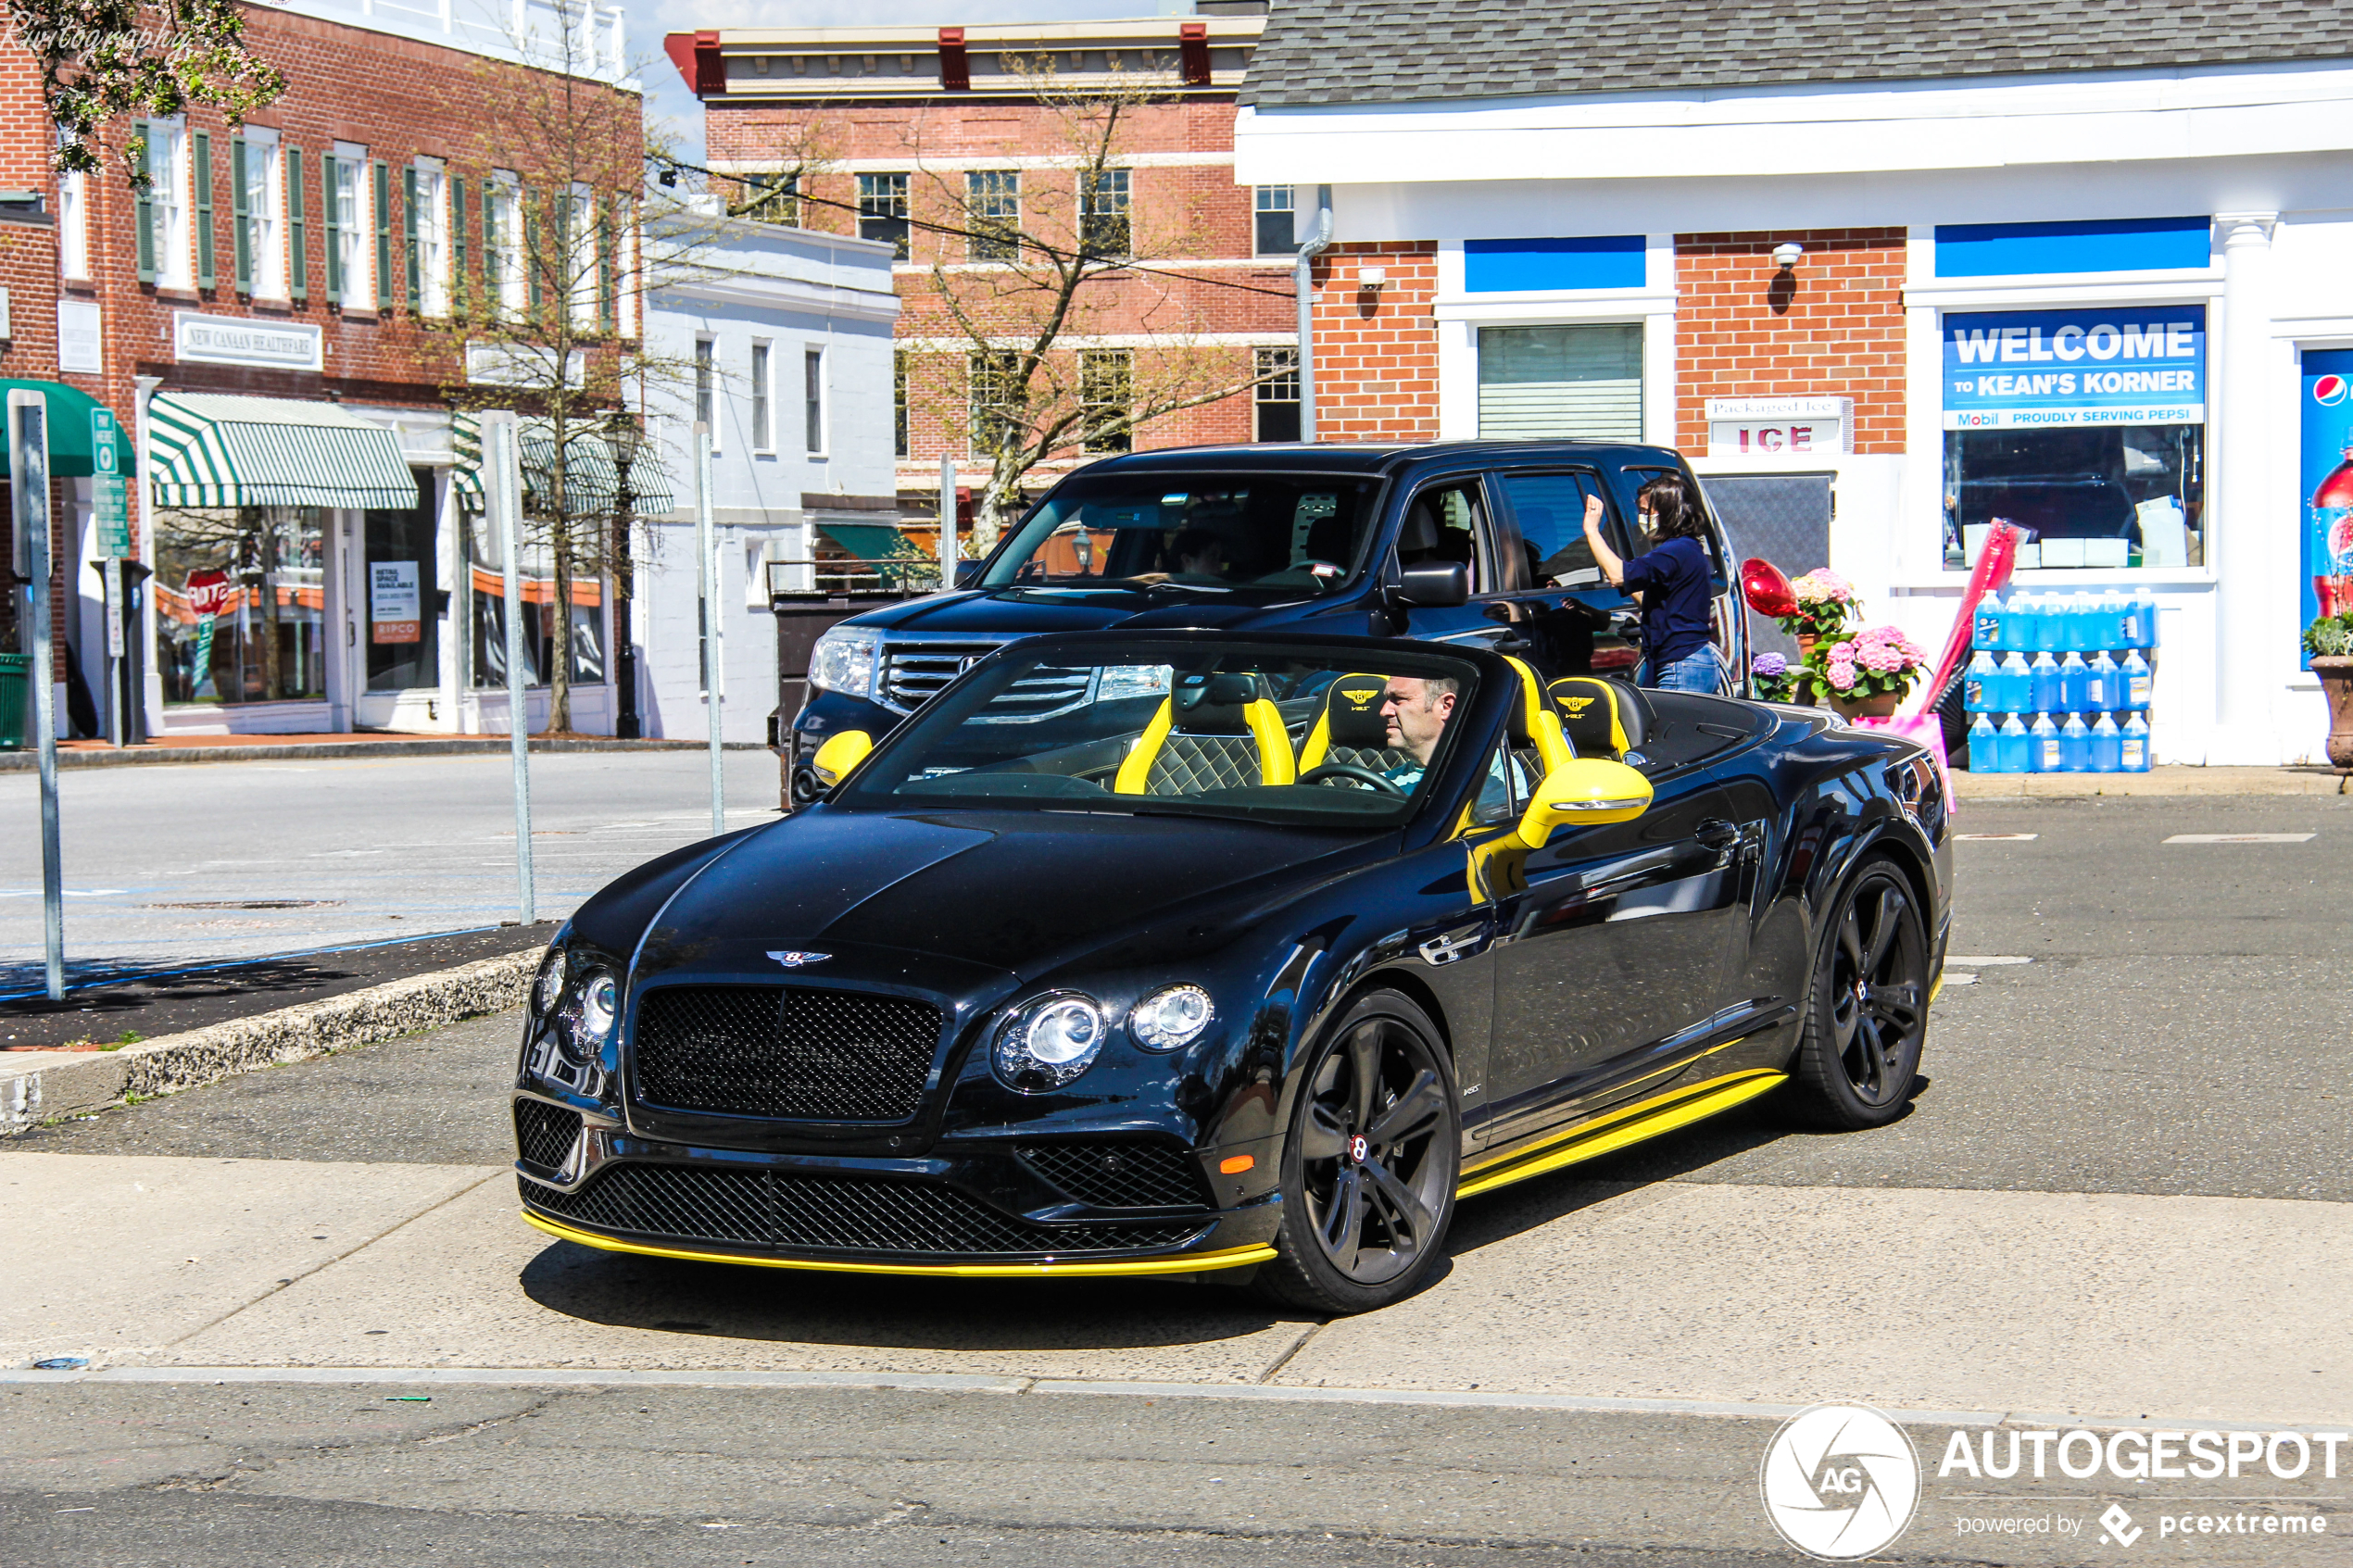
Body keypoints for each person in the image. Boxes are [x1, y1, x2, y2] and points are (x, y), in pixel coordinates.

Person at [1579, 473, 1722, 695]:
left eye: (1647, 512)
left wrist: (1592, 530)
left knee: (1670, 728)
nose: (1642, 518)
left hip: (1679, 663)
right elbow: (1653, 601)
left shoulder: (1674, 551)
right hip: (1679, 660)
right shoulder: (1687, 549)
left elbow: (1619, 575)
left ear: (1669, 512)